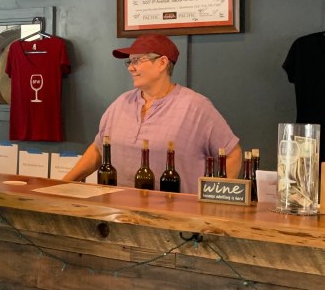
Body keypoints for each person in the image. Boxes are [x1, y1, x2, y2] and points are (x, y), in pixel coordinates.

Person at [63, 34, 241, 190]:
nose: (130, 67)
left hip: (174, 214)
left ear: (162, 63)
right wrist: (62, 184)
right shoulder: (121, 103)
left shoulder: (196, 106)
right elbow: (98, 150)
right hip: (118, 211)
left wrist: (216, 200)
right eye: (129, 62)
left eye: (137, 61)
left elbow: (233, 154)